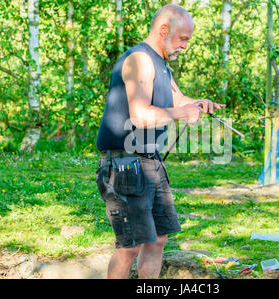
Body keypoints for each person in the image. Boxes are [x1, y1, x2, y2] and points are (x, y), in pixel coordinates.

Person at [95, 4, 225, 279]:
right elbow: (140, 116)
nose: (185, 46)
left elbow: (177, 100)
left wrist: (197, 104)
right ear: (163, 30)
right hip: (125, 163)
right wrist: (181, 113)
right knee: (131, 245)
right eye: (183, 39)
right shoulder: (139, 60)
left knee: (157, 239)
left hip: (149, 163)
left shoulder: (161, 65)